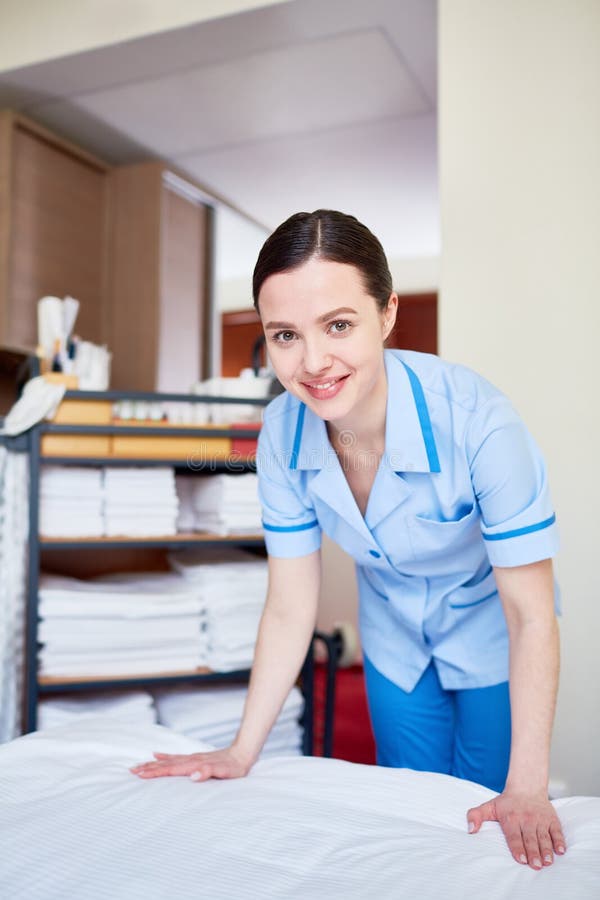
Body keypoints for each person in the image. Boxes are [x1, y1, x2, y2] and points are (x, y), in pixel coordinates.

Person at [131, 209, 565, 869]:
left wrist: (529, 787)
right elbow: (288, 604)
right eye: (284, 335)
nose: (313, 363)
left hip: (492, 636)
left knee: (491, 818)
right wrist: (243, 749)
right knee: (415, 815)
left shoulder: (480, 424)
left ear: (387, 313)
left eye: (338, 325)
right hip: (392, 635)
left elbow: (531, 614)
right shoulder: (282, 432)